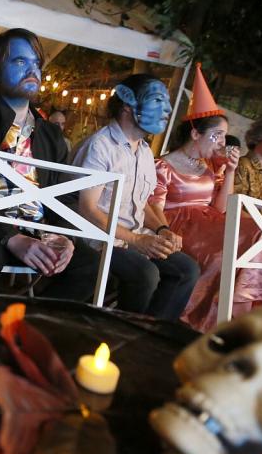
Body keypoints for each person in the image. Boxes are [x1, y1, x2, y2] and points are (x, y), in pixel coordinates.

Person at [0, 28, 99, 300]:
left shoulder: (51, 134)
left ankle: (29, 331)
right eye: (20, 61)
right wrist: (11, 237)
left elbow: (65, 197)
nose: (33, 70)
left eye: (36, 63)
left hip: (36, 228)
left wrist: (65, 237)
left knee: (88, 265)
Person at [150, 65, 262, 331]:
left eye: (222, 136)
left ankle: (251, 314)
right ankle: (207, 320)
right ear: (196, 134)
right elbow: (154, 206)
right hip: (178, 222)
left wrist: (228, 171)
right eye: (217, 135)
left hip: (208, 220)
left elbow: (220, 207)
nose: (221, 143)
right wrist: (163, 230)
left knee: (250, 233)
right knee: (225, 252)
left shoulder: (209, 166)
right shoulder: (164, 165)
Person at [72, 73, 200, 321]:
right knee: (146, 273)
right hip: (97, 241)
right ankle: (119, 334)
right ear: (128, 105)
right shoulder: (101, 146)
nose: (168, 109)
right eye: (157, 100)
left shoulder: (144, 151)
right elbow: (87, 209)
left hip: (132, 240)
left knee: (186, 269)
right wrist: (135, 239)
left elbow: (146, 204)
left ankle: (150, 333)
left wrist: (162, 229)